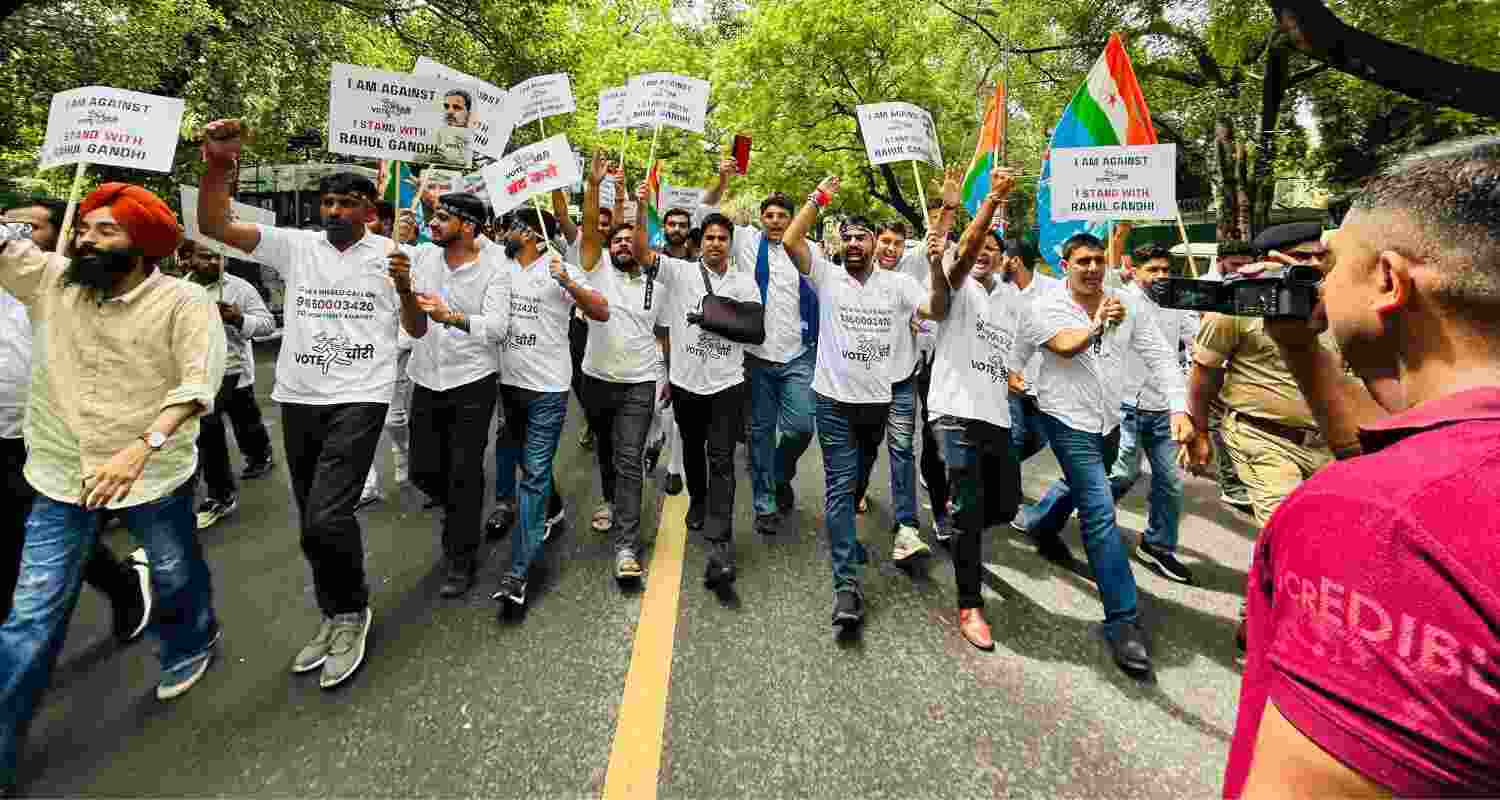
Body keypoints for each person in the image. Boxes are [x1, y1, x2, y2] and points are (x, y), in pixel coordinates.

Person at [1223, 136, 1500, 796]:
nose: (1317, 283)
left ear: (1386, 281)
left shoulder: (1377, 524)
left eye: (1329, 265)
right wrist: (1304, 350)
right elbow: (1416, 448)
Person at [0, 183, 227, 792]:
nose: (85, 239)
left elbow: (196, 386)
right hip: (58, 475)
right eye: (85, 229)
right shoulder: (51, 282)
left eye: (106, 232)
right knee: (30, 616)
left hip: (152, 476)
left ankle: (192, 639)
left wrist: (139, 448)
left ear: (143, 246)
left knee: (176, 571)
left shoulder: (184, 303)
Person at [197, 117, 426, 689]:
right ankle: (333, 612)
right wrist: (219, 165)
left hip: (362, 394)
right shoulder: (295, 246)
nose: (334, 212)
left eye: (347, 203)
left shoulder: (394, 254)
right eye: (327, 202)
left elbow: (416, 328)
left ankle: (352, 613)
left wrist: (402, 285)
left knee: (327, 515)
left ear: (369, 210)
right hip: (299, 396)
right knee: (310, 519)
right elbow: (214, 223)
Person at [1010, 232, 1193, 676]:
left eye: (1098, 260)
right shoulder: (1044, 307)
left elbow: (1162, 356)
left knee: (1083, 486)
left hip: (1109, 421)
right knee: (1099, 510)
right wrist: (1096, 326)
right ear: (1066, 264)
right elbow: (1064, 347)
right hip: (1065, 418)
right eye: (1082, 262)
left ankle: (1041, 522)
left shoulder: (1126, 306)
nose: (1092, 268)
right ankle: (1123, 621)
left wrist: (1180, 406)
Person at [781, 177, 934, 632]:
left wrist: (944, 264)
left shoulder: (899, 284)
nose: (852, 242)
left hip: (878, 403)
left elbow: (935, 309)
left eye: (860, 237)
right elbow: (792, 239)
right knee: (838, 486)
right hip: (832, 402)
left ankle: (847, 526)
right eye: (845, 237)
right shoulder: (826, 276)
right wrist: (816, 197)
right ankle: (845, 586)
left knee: (855, 482)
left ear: (873, 246)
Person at [1185, 223, 1343, 651]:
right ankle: (1262, 618)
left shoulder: (1345, 304)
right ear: (1268, 262)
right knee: (1286, 528)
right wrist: (1197, 429)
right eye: (1299, 256)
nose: (1311, 264)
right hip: (1261, 436)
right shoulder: (1237, 305)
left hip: (1331, 444)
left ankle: (1288, 607)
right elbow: (1204, 373)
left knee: (1327, 538)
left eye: (1316, 256)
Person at [0, 201, 152, 639]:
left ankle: (123, 586)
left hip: (45, 434)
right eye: (8, 223)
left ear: (62, 234)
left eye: (26, 227)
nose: (14, 233)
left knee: (42, 532)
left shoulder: (74, 289)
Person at [635, 198, 762, 588]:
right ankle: (699, 501)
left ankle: (720, 544)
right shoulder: (678, 273)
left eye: (723, 238)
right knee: (691, 448)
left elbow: (755, 329)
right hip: (686, 384)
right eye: (709, 238)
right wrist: (640, 205)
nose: (716, 244)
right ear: (699, 242)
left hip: (727, 385)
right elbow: (642, 252)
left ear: (730, 243)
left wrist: (711, 319)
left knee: (721, 458)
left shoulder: (744, 281)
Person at [920, 170, 1021, 650]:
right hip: (953, 413)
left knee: (1004, 506)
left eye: (992, 251)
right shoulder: (956, 286)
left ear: (1004, 260)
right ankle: (969, 603)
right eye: (975, 248)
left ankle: (957, 519)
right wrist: (987, 201)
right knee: (967, 507)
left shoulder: (1012, 300)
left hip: (996, 416)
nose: (982, 253)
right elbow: (958, 257)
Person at [490, 209, 609, 615]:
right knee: (528, 465)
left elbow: (600, 310)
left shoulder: (561, 268)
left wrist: (569, 281)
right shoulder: (500, 265)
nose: (505, 233)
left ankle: (519, 571)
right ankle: (553, 509)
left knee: (535, 472)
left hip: (548, 390)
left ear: (534, 235)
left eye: (513, 227)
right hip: (509, 386)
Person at [402, 192, 509, 597]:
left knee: (463, 471)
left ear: (468, 226)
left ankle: (461, 558)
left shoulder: (495, 267)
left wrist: (452, 317)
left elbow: (498, 328)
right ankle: (460, 509)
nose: (433, 222)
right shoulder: (422, 257)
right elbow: (392, 271)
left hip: (472, 381)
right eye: (433, 215)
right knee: (424, 471)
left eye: (443, 217)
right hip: (426, 378)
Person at [713, 168, 816, 536]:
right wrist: (723, 180)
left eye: (781, 216)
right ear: (761, 219)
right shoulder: (744, 242)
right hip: (755, 357)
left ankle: (779, 474)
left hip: (798, 355)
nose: (774, 221)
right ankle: (764, 503)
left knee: (801, 428)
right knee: (759, 432)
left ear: (791, 220)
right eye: (769, 215)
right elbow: (707, 212)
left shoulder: (805, 250)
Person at [1106, 243, 1200, 585]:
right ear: (1135, 270)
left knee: (1171, 482)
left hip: (1165, 406)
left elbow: (1196, 343)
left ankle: (1157, 545)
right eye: (1153, 270)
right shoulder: (1119, 301)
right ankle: (1089, 512)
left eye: (1166, 270)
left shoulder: (1179, 300)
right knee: (1122, 474)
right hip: (1125, 405)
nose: (1161, 276)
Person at [575, 213, 661, 581]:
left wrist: (669, 374)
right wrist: (593, 186)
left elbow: (668, 330)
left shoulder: (660, 281)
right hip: (596, 381)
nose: (623, 244)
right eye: (617, 240)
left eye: (631, 239)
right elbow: (591, 230)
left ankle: (626, 545)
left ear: (643, 246)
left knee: (629, 458)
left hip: (639, 383)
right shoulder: (598, 272)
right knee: (608, 451)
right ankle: (610, 499)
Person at [182, 241, 276, 529]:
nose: (213, 262)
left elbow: (267, 325)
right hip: (195, 370)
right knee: (208, 427)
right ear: (186, 259)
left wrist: (238, 318)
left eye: (218, 257)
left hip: (231, 368)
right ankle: (211, 488)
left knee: (236, 422)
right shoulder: (179, 290)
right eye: (205, 256)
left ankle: (229, 486)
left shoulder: (240, 288)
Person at [1199, 239, 1256, 512]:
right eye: (1235, 265)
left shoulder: (1254, 286)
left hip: (1243, 372)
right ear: (1220, 260)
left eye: (1247, 265)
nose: (1241, 271)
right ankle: (1232, 484)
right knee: (1221, 427)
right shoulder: (1202, 288)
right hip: (1211, 370)